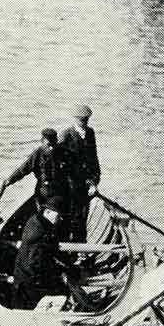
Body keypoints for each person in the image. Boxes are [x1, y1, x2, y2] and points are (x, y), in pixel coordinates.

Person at [12, 196, 70, 309]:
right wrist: (61, 273)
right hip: (28, 282)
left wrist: (67, 266)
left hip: (22, 276)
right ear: (47, 212)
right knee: (65, 290)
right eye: (59, 216)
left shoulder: (36, 220)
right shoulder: (40, 234)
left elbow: (52, 251)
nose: (61, 219)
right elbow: (36, 264)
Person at [60, 104, 101, 243]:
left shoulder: (90, 133)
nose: (84, 122)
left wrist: (94, 182)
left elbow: (94, 159)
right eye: (81, 120)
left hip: (85, 185)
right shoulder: (66, 135)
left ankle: (80, 248)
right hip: (69, 185)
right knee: (68, 218)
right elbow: (58, 159)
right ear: (75, 119)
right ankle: (66, 248)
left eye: (86, 120)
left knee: (82, 218)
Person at [1, 128, 64, 210]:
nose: (51, 148)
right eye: (49, 145)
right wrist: (10, 180)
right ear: (42, 141)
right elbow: (23, 169)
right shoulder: (38, 154)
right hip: (44, 191)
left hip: (60, 191)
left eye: (53, 145)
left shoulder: (62, 152)